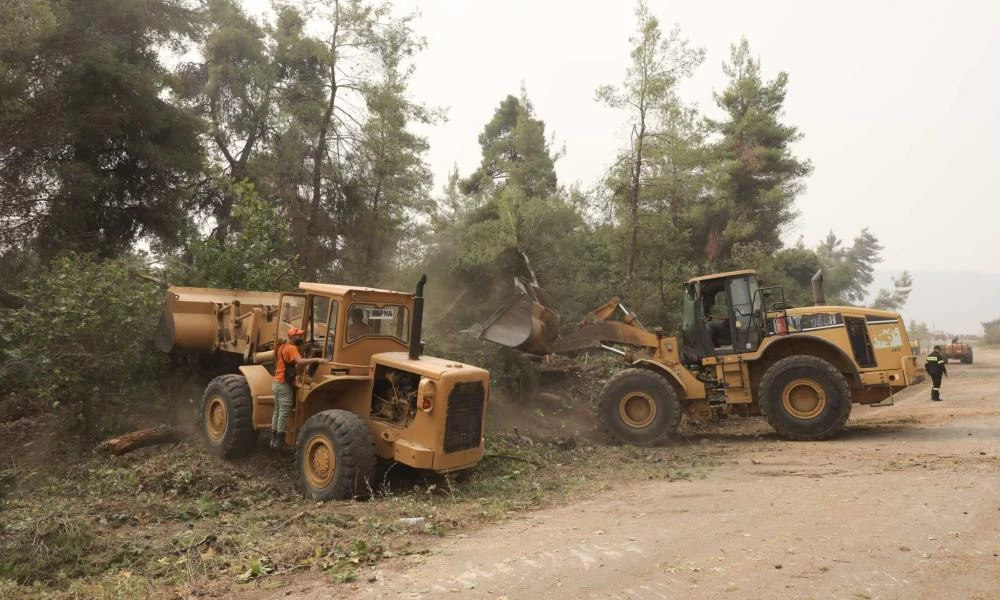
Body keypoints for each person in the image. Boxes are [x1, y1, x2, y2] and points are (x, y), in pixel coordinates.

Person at [272, 327, 324, 449]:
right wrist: (317, 359)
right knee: (284, 411)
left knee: (277, 410)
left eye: (301, 335)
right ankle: (280, 440)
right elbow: (300, 362)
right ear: (292, 337)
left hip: (276, 382)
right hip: (284, 384)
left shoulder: (281, 347)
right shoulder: (292, 348)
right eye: (299, 336)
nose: (301, 338)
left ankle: (273, 438)